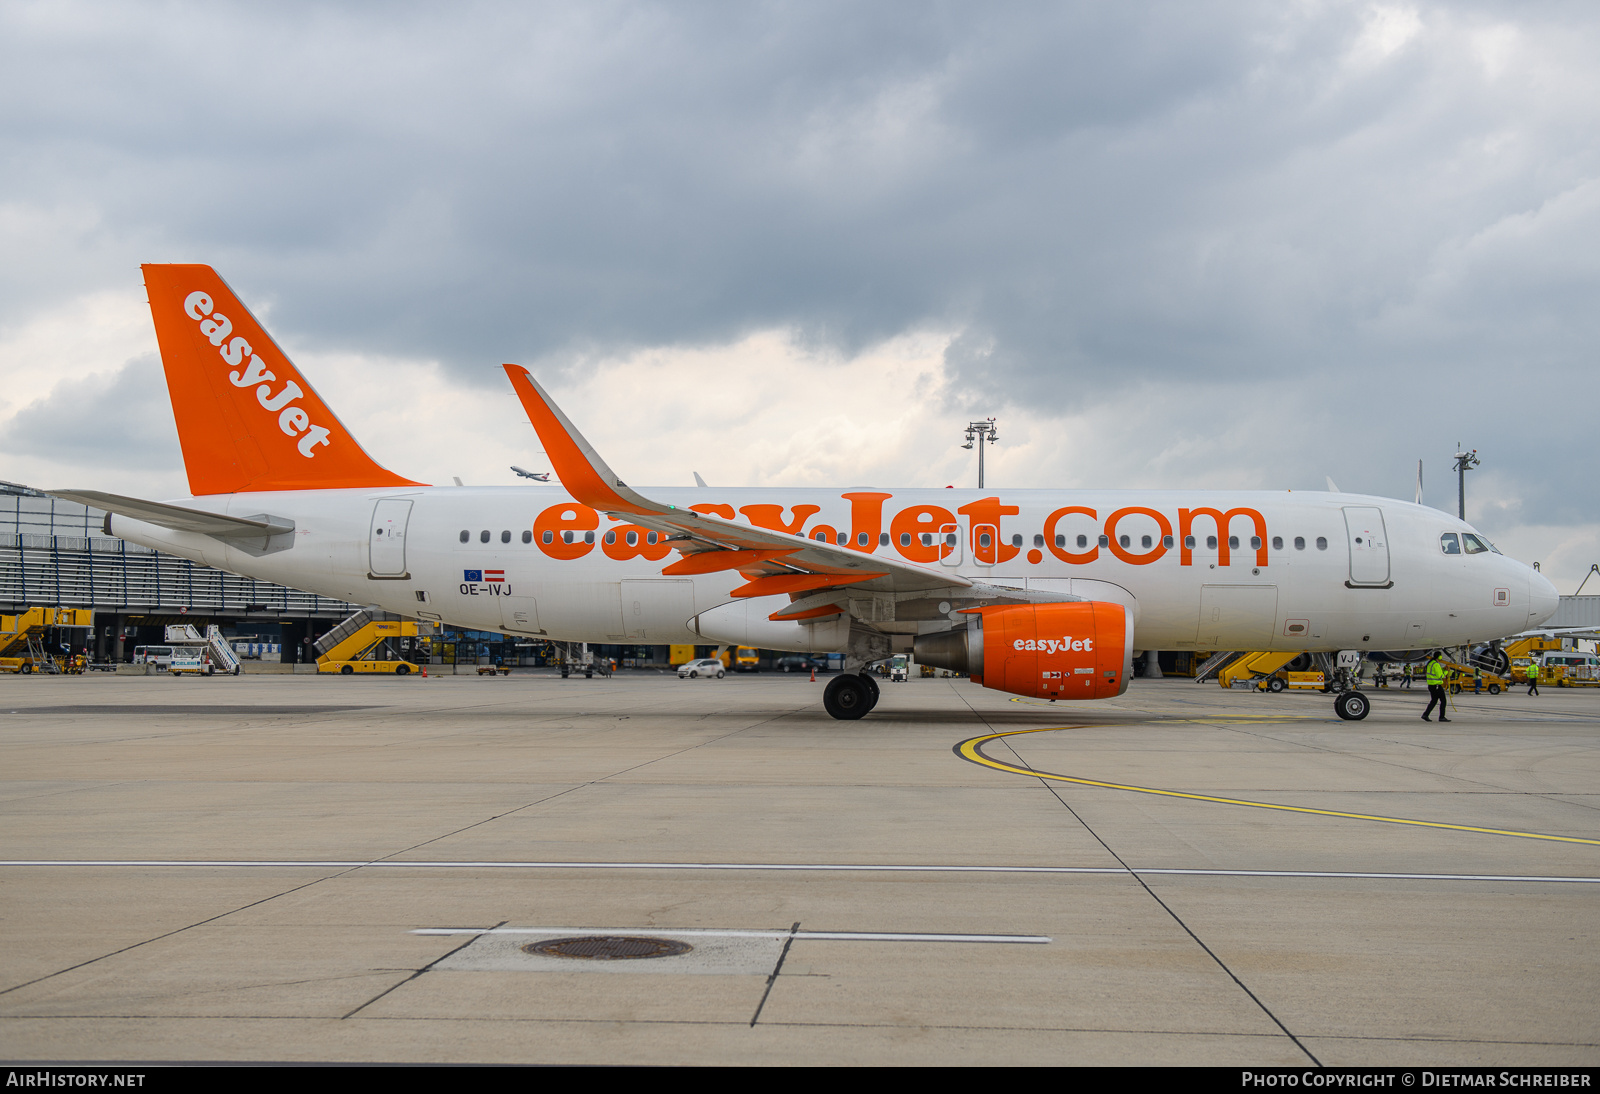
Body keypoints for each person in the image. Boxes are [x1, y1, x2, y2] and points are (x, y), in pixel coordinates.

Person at [1422, 651, 1450, 722]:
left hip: (1431, 685)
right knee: (1443, 701)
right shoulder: (1436, 664)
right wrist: (1446, 671)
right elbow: (1440, 675)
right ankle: (1442, 717)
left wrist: (1443, 669)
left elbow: (1435, 672)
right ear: (1439, 657)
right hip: (1437, 685)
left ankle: (1425, 714)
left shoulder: (1430, 663)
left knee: (1434, 701)